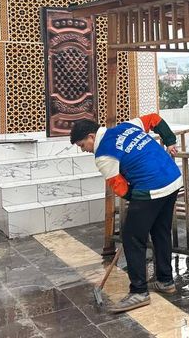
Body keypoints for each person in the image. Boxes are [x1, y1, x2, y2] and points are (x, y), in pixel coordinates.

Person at [70, 114, 181, 313]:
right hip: (172, 178)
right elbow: (154, 119)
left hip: (151, 187)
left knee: (131, 237)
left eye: (82, 145)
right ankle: (165, 281)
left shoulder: (103, 155)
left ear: (91, 136)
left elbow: (120, 188)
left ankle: (139, 292)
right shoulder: (126, 126)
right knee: (160, 231)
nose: (83, 149)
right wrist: (170, 140)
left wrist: (137, 198)